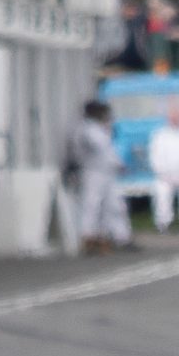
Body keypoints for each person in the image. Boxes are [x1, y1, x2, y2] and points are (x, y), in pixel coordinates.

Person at [66, 100, 126, 253]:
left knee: (113, 205)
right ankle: (88, 237)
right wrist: (117, 163)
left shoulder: (96, 129)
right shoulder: (87, 130)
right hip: (92, 171)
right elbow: (101, 150)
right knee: (92, 205)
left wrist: (117, 163)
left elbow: (108, 150)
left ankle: (115, 237)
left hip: (105, 172)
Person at [144, 102, 179, 235]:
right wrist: (162, 172)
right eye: (173, 116)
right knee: (162, 198)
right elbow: (155, 155)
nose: (176, 119)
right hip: (165, 176)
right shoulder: (160, 135)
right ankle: (163, 224)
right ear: (168, 118)